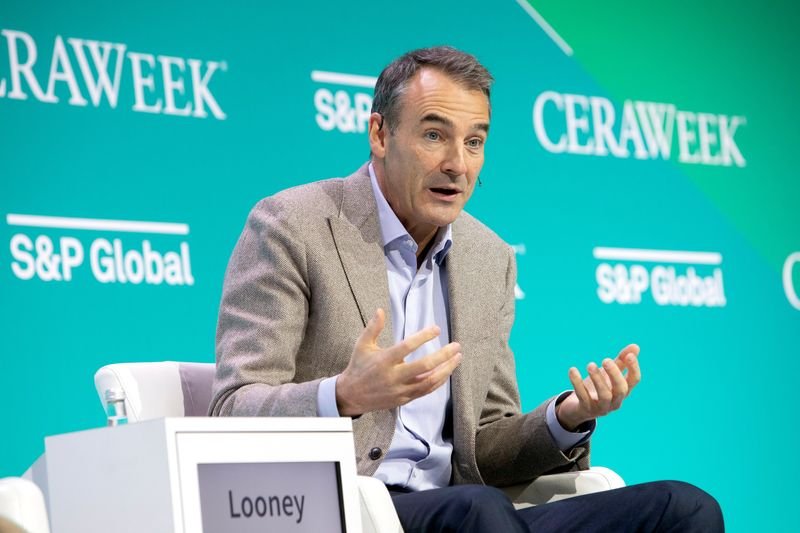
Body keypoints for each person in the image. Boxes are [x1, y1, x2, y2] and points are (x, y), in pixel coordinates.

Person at [210, 46, 723, 531]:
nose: (458, 163)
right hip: (348, 508)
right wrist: (342, 396)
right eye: (435, 136)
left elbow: (485, 447)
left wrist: (567, 417)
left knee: (681, 509)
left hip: (471, 511)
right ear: (380, 134)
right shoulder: (293, 225)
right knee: (479, 511)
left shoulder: (488, 257)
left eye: (474, 141)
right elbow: (231, 409)